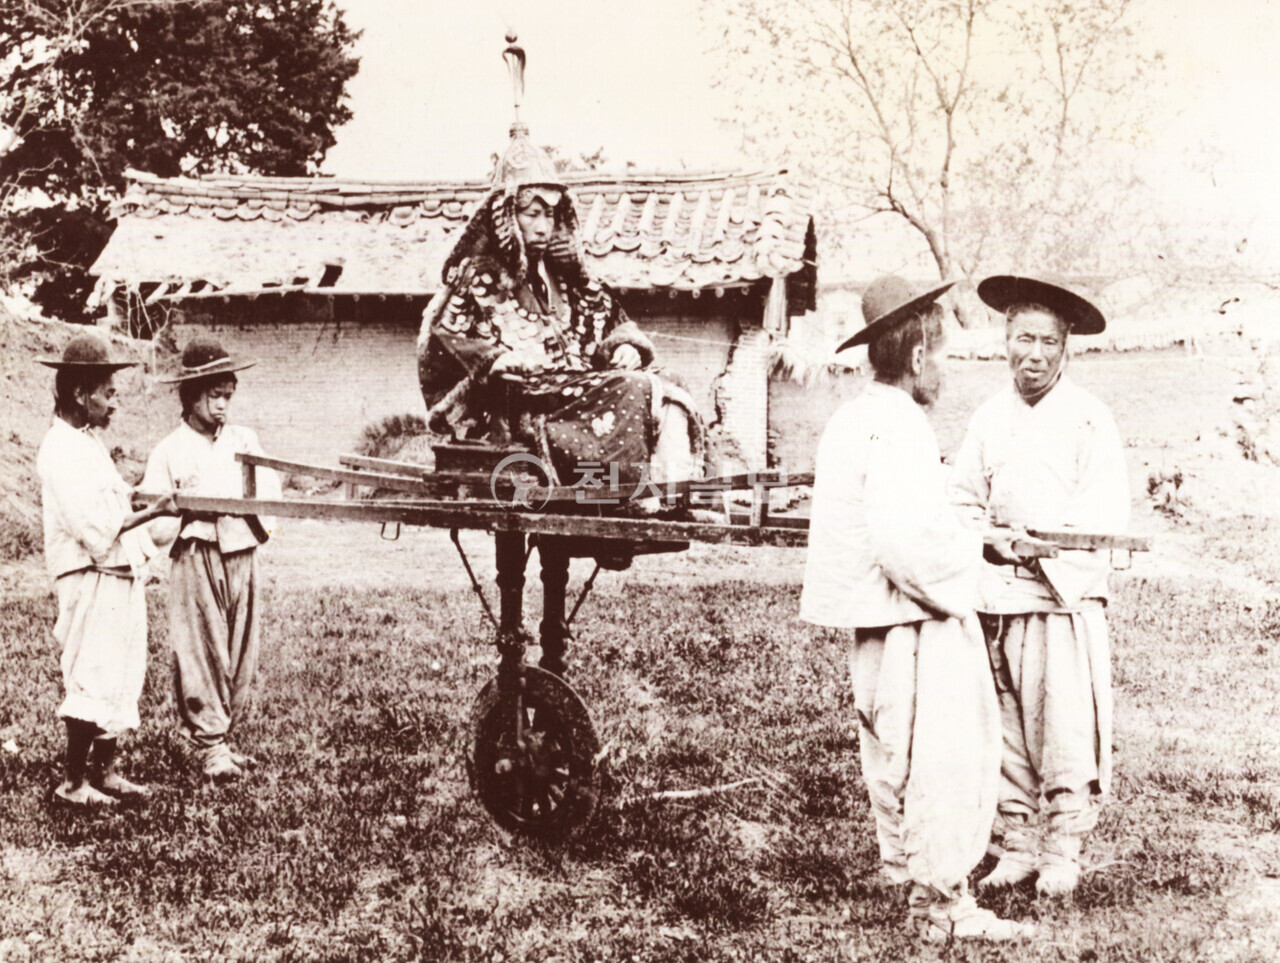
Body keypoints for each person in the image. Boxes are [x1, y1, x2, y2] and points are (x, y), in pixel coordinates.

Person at [416, 38, 702, 676]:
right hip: (511, 414)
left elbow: (615, 323)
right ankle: (621, 501)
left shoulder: (572, 280)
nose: (542, 223)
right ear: (508, 212)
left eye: (551, 211)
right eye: (530, 209)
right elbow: (450, 335)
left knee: (657, 386)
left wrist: (624, 348)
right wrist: (496, 362)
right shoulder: (483, 276)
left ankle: (645, 495)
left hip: (569, 395)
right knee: (629, 395)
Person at [800, 276, 1031, 942]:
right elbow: (905, 543)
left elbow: (910, 526)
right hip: (917, 617)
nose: (949, 370)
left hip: (886, 617)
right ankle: (943, 902)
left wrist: (973, 539)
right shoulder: (897, 424)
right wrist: (972, 574)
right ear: (921, 354)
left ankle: (913, 879)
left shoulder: (859, 415)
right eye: (947, 354)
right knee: (943, 754)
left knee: (895, 752)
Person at [949, 275, 1129, 897]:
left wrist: (1040, 550)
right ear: (1004, 340)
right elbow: (963, 499)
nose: (1034, 353)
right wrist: (988, 542)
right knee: (1002, 730)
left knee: (1063, 727)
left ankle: (1062, 849)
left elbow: (1103, 512)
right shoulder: (988, 417)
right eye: (1023, 337)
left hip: (1058, 598)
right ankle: (1017, 844)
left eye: (1048, 341)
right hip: (996, 595)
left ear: (1066, 348)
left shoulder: (1088, 418)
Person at [35, 332, 178, 806]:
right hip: (89, 577)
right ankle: (74, 782)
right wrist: (157, 509)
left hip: (118, 576)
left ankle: (106, 771)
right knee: (92, 673)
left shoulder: (88, 443)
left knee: (121, 674)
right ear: (81, 394)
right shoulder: (60, 450)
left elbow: (115, 502)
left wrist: (148, 504)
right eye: (108, 393)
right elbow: (97, 528)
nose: (114, 403)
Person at [141, 336, 280, 781]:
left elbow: (270, 493)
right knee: (202, 647)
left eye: (228, 397)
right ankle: (210, 744)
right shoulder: (169, 449)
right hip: (197, 553)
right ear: (191, 395)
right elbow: (156, 519)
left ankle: (225, 735)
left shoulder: (245, 439)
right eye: (214, 397)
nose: (222, 406)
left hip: (242, 550)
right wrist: (186, 512)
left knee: (241, 649)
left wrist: (251, 517)